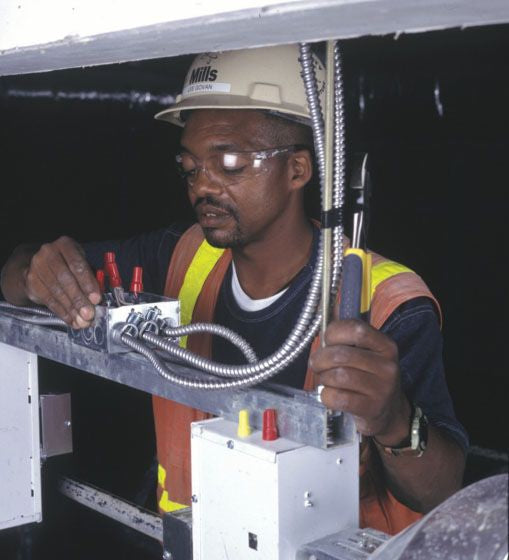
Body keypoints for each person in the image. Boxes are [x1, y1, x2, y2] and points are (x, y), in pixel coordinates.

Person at [0, 44, 467, 535]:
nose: (202, 186)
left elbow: (443, 490)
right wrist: (34, 270)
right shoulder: (179, 257)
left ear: (297, 170)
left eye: (229, 162)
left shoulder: (387, 302)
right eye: (190, 167)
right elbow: (17, 274)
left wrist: (394, 421)